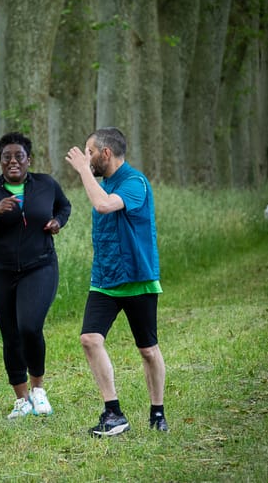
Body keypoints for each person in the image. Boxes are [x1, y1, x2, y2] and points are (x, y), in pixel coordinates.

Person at [65, 127, 168, 436]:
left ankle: (157, 412)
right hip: (105, 280)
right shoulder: (106, 183)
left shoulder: (135, 182)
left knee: (148, 350)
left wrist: (83, 171)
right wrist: (88, 173)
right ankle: (113, 413)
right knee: (89, 339)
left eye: (91, 152)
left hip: (138, 279)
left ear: (106, 153)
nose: (87, 158)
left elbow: (105, 205)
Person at [0, 132, 71, 419]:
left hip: (40, 266)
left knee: (29, 326)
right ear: (0, 162)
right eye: (7, 157)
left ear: (29, 160)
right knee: (10, 334)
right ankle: (21, 400)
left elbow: (65, 206)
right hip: (0, 272)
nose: (13, 161)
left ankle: (38, 390)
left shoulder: (46, 184)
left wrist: (57, 222)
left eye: (19, 156)